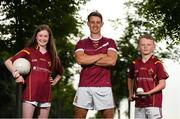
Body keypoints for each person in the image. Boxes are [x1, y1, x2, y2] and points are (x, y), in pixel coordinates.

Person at [4, 24, 64, 118]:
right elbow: (8, 62)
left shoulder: (53, 56)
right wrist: (16, 75)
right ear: (36, 37)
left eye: (45, 36)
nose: (43, 38)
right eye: (40, 35)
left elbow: (60, 72)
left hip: (46, 95)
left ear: (49, 38)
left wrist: (55, 81)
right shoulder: (28, 51)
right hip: (30, 94)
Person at [73, 11, 118, 119]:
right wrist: (102, 55)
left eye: (98, 22)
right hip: (85, 85)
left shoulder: (110, 42)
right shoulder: (81, 43)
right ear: (88, 24)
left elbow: (111, 61)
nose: (95, 25)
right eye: (92, 22)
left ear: (102, 24)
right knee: (79, 116)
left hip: (104, 85)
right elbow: (80, 60)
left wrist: (88, 58)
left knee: (108, 117)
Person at [127, 34, 169, 119]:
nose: (145, 47)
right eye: (143, 45)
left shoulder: (157, 63)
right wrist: (131, 93)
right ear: (138, 47)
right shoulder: (135, 63)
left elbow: (162, 84)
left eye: (149, 45)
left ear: (153, 47)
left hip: (153, 104)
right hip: (139, 104)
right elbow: (130, 78)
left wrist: (148, 93)